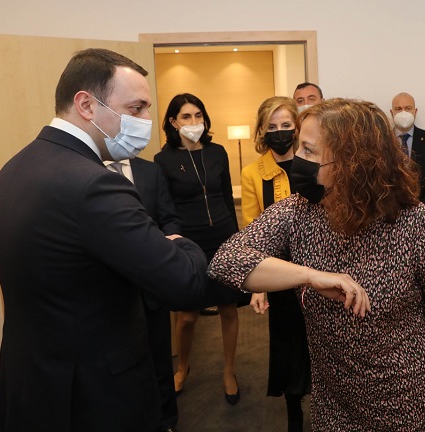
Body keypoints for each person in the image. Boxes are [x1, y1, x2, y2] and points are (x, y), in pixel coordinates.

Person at [208, 98, 425, 431]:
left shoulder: (415, 222)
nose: (298, 158)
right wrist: (311, 276)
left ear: (352, 162)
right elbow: (226, 261)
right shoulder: (298, 212)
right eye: (300, 147)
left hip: (410, 395)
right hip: (335, 398)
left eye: (309, 151)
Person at [0, 48, 207, 432]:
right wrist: (176, 241)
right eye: (136, 108)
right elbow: (184, 283)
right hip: (92, 394)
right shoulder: (94, 184)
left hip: (33, 382)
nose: (146, 120)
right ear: (86, 105)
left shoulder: (15, 167)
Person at [154, 93, 241, 405]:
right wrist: (173, 242)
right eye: (186, 116)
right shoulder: (163, 160)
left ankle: (229, 371)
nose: (194, 122)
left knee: (228, 308)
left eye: (198, 115)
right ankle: (183, 367)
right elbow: (165, 207)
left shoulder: (218, 153)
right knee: (188, 315)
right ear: (173, 122)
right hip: (189, 243)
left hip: (223, 236)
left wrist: (237, 240)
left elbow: (227, 197)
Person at [240, 96, 310, 431]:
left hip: (317, 269)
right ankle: (294, 409)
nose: (279, 132)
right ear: (262, 130)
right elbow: (252, 232)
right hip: (280, 274)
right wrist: (259, 284)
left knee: (323, 339)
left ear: (297, 128)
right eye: (272, 126)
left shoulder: (312, 164)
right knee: (288, 342)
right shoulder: (252, 173)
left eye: (286, 125)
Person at [105, 157, 181, 432]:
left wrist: (167, 248)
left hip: (152, 287)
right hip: (109, 293)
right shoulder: (87, 170)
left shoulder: (151, 171)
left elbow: (169, 219)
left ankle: (166, 421)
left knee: (159, 360)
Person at [390, 92, 425, 218]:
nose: (403, 113)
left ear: (415, 111)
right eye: (398, 109)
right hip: (389, 216)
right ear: (391, 113)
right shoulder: (382, 141)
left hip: (424, 215)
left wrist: (419, 211)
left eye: (408, 108)